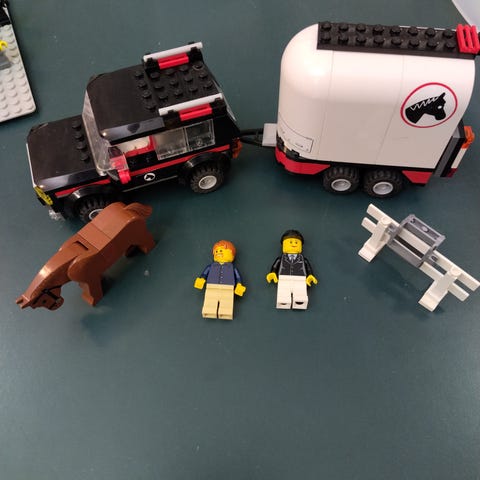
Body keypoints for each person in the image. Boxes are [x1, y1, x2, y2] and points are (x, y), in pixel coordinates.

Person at [194, 240, 246, 320]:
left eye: (221, 251)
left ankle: (225, 313)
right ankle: (209, 311)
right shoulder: (211, 266)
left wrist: (239, 285)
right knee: (210, 300)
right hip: (211, 286)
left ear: (231, 254)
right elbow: (205, 273)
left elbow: (238, 277)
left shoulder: (232, 268)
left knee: (227, 302)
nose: (218, 253)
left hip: (228, 288)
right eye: (216, 251)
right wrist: (201, 279)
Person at [266, 230, 317, 309]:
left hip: (300, 279)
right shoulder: (281, 258)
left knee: (300, 294)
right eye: (290, 242)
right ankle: (283, 302)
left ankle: (299, 302)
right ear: (284, 245)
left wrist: (310, 275)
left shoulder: (303, 259)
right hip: (284, 278)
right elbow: (275, 266)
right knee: (283, 293)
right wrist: (273, 272)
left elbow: (308, 267)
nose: (293, 244)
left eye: (296, 242)